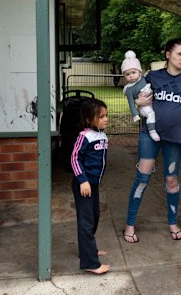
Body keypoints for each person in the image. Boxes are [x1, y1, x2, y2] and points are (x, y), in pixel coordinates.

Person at [123, 38, 181, 243]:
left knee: (172, 180)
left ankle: (173, 223)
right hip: (150, 135)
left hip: (174, 139)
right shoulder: (153, 76)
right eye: (179, 54)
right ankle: (129, 225)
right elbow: (136, 97)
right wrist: (138, 103)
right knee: (142, 178)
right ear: (168, 55)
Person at [71, 98, 110, 275]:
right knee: (86, 222)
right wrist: (82, 179)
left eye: (106, 116)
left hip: (93, 185)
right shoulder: (84, 136)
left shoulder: (102, 135)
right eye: (101, 117)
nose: (105, 119)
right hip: (84, 185)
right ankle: (90, 263)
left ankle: (88, 250)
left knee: (94, 217)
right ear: (88, 119)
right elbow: (74, 158)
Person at [121, 50, 160, 142]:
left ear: (139, 72)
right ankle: (152, 131)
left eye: (133, 72)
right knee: (150, 113)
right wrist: (135, 115)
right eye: (127, 74)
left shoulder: (144, 79)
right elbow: (131, 103)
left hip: (153, 102)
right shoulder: (129, 89)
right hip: (143, 107)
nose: (131, 76)